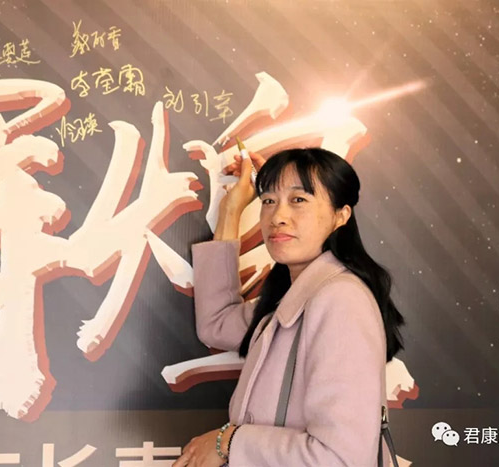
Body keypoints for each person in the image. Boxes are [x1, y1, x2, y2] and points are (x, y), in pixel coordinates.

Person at [173, 147, 405, 467]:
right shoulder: (298, 295)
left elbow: (342, 459)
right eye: (268, 200)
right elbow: (218, 323)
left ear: (341, 215)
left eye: (298, 199)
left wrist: (229, 441)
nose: (278, 217)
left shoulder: (340, 300)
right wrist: (231, 210)